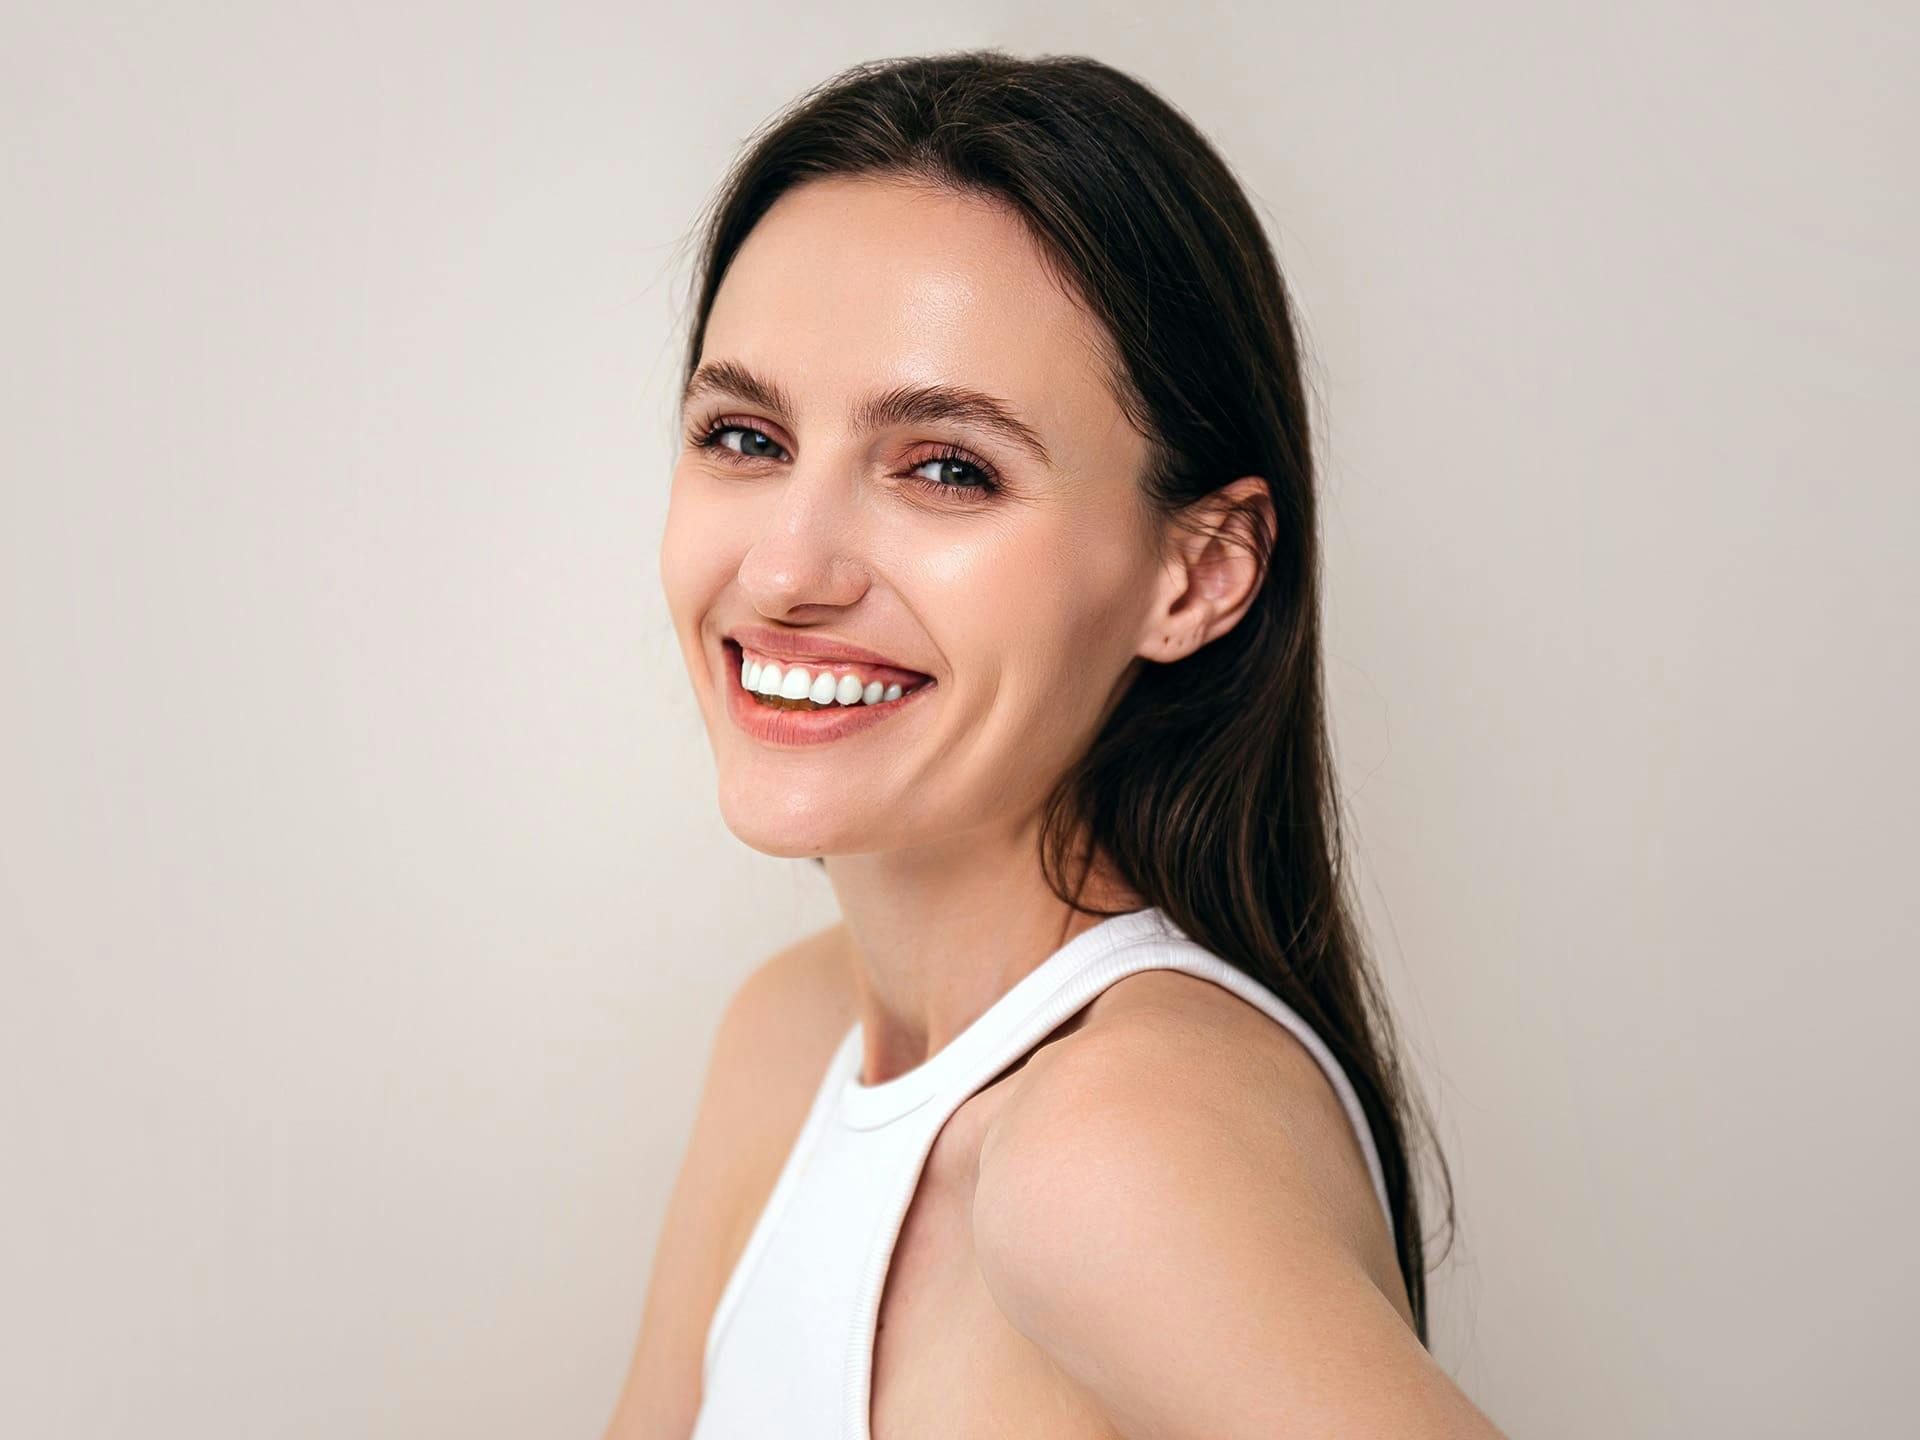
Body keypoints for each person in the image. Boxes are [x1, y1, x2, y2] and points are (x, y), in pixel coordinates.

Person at [605, 50, 1504, 1440]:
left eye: (949, 468)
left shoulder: (1115, 1145)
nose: (787, 568)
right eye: (745, 435)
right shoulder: (789, 1038)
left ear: (1195, 575)